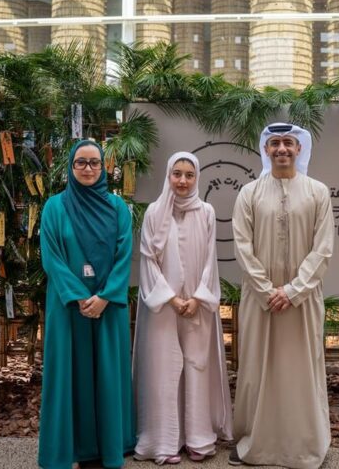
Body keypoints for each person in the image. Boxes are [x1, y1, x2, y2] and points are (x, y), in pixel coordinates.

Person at [230, 123, 335, 468]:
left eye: (288, 142)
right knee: (256, 369)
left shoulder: (318, 192)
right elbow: (242, 247)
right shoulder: (249, 193)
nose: (281, 149)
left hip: (302, 300)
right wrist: (267, 290)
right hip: (260, 301)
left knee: (300, 371)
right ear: (266, 149)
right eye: (274, 143)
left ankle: (304, 445)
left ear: (299, 148)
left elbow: (323, 249)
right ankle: (254, 441)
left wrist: (292, 290)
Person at [38, 140, 135, 469]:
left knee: (107, 374)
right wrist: (80, 296)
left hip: (108, 306)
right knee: (68, 374)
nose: (88, 168)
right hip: (69, 306)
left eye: (94, 162)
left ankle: (107, 448)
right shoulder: (54, 208)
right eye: (81, 162)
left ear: (104, 167)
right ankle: (68, 450)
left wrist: (105, 296)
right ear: (71, 166)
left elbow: (124, 254)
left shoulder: (118, 208)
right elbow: (52, 257)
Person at [133, 152, 232, 465]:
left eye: (189, 175)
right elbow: (148, 260)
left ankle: (198, 437)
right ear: (168, 175)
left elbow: (210, 260)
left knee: (196, 366)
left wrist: (198, 298)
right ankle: (163, 441)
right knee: (163, 368)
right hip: (163, 307)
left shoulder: (206, 212)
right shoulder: (154, 212)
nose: (183, 181)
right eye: (177, 173)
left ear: (197, 178)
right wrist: (171, 298)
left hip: (197, 305)